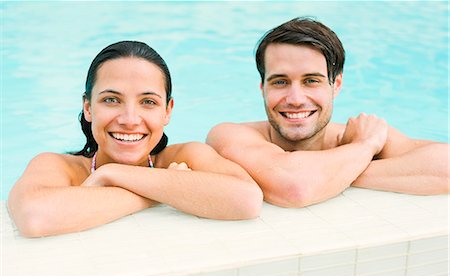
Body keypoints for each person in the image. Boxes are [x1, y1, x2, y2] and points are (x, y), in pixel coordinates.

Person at [8, 41, 263, 237]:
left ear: (167, 111)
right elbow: (35, 217)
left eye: (148, 102)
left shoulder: (187, 156)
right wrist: (161, 191)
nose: (130, 119)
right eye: (111, 100)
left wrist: (113, 175)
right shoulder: (58, 167)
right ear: (88, 107)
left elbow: (247, 200)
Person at [207, 17, 449, 208]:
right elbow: (295, 188)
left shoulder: (358, 132)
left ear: (337, 86)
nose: (296, 99)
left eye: (311, 81)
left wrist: (336, 174)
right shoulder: (230, 135)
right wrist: (362, 149)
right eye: (280, 82)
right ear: (263, 88)